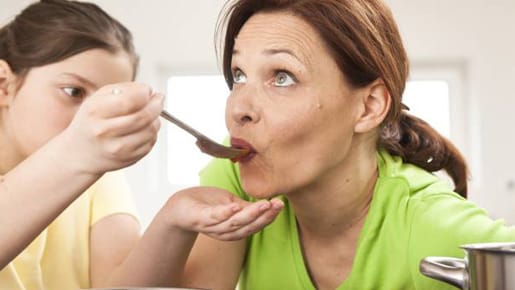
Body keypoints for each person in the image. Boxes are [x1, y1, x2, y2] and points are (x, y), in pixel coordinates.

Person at [174, 0, 515, 289]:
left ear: (368, 107)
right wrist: (172, 219)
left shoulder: (430, 225)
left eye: (282, 77)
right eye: (239, 74)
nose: (238, 110)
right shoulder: (239, 174)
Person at [0, 0, 282, 289]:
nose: (96, 116)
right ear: (3, 84)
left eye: (111, 100)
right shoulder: (81, 160)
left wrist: (173, 218)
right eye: (73, 91)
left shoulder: (97, 179)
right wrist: (76, 153)